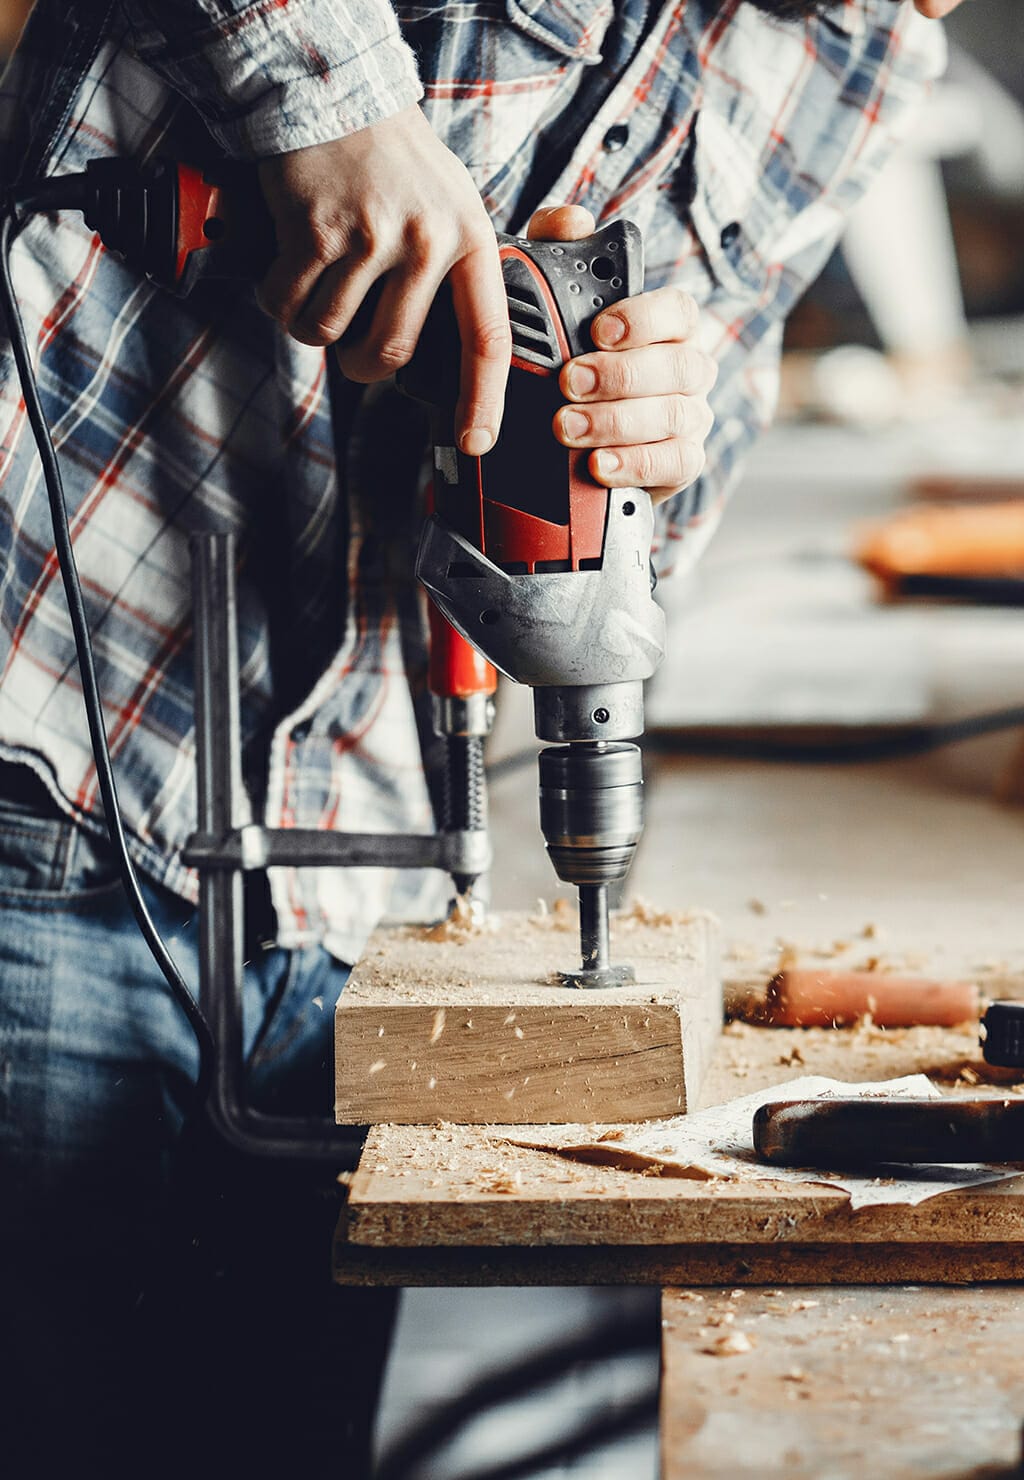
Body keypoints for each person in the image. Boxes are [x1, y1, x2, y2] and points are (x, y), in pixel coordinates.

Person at [0, 0, 962, 1473]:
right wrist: (321, 90)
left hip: (341, 883)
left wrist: (654, 432)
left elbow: (642, 507)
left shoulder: (865, 48)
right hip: (59, 754)